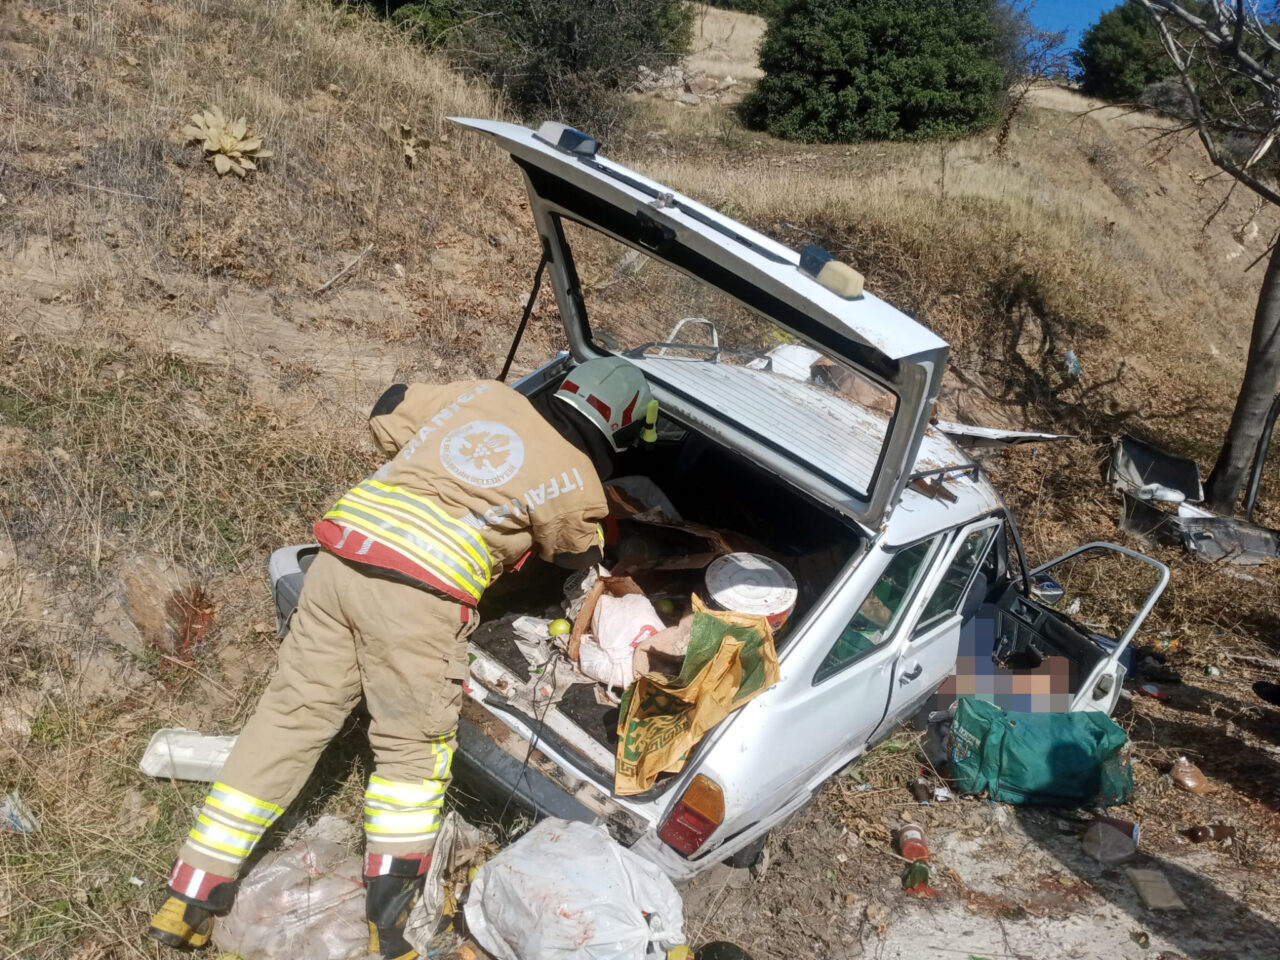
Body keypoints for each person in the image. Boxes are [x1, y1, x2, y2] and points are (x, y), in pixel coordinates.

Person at [147, 358, 652, 958]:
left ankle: (187, 897)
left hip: (341, 561)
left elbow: (388, 407)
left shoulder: (480, 395)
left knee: (289, 720)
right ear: (618, 428)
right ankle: (387, 932)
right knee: (411, 755)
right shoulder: (576, 475)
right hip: (419, 597)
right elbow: (576, 549)